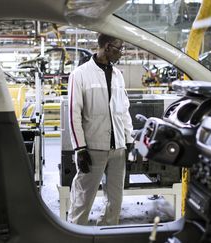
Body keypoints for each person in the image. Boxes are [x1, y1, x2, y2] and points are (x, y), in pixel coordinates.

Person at [68, 33, 134, 226]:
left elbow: (124, 109)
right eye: (119, 48)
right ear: (106, 47)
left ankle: (107, 231)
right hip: (92, 148)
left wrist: (129, 139)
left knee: (115, 200)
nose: (121, 53)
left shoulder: (118, 75)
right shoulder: (80, 74)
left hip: (118, 148)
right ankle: (74, 232)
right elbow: (73, 114)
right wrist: (79, 148)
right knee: (83, 197)